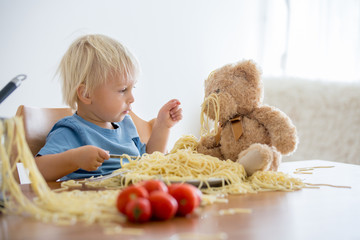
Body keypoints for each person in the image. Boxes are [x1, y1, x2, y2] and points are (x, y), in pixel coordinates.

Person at [35, 34, 182, 181]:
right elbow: (35, 170)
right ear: (86, 94)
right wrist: (74, 159)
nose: (132, 98)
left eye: (133, 88)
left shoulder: (127, 124)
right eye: (123, 90)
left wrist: (163, 126)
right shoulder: (71, 131)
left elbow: (151, 161)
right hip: (90, 199)